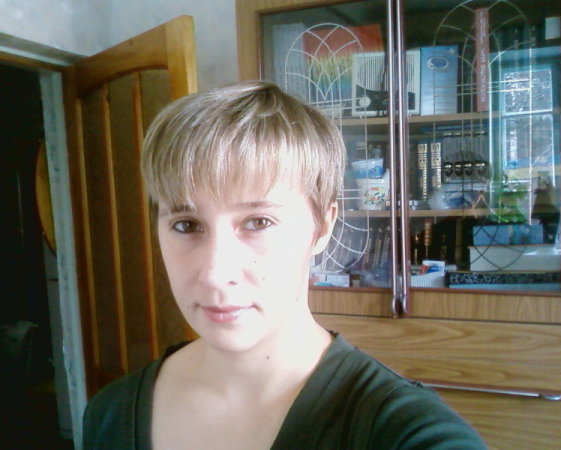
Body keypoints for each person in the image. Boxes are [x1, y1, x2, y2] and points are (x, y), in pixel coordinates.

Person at [83, 81, 487, 449]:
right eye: (186, 225)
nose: (215, 273)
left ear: (322, 226)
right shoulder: (110, 412)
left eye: (259, 222)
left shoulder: (398, 429)